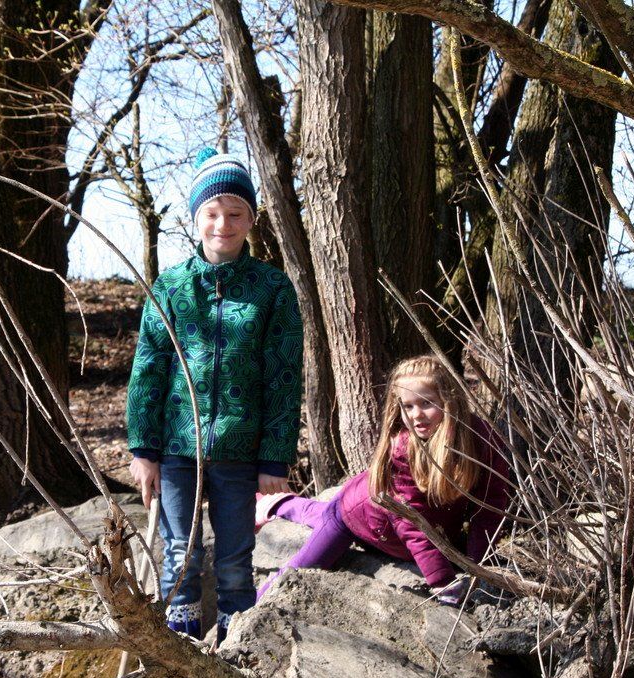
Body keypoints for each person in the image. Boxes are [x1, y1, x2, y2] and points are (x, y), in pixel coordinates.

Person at [126, 147, 303, 642]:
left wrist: (274, 458)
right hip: (176, 449)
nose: (223, 224)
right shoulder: (170, 287)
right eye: (212, 212)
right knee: (179, 553)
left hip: (240, 450)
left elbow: (284, 378)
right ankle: (180, 647)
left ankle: (235, 649)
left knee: (234, 560)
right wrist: (143, 449)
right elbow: (148, 369)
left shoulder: (272, 289)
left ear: (251, 219)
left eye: (235, 213)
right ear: (195, 217)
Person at [255, 355, 511, 605]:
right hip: (354, 516)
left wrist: (480, 567)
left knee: (318, 512)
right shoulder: (404, 449)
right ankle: (243, 607)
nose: (416, 415)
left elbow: (490, 506)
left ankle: (278, 503)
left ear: (449, 401)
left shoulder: (481, 442)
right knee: (305, 565)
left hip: (382, 518)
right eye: (407, 406)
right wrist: (443, 583)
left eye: (426, 403)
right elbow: (412, 524)